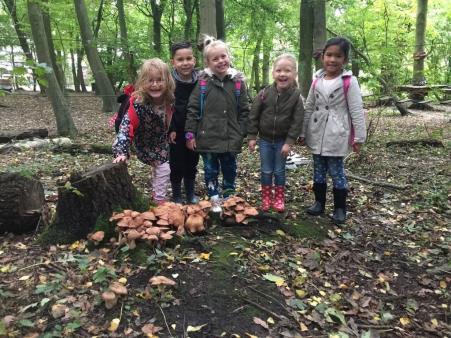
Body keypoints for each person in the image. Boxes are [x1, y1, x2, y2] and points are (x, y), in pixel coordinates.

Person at [300, 37, 366, 224]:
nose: (332, 60)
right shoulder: (317, 80)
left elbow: (356, 109)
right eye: (329, 55)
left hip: (337, 133)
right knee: (318, 171)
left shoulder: (349, 81)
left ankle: (340, 208)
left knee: (337, 172)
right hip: (317, 131)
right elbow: (309, 106)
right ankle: (319, 203)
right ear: (323, 57)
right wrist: (303, 132)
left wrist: (359, 137)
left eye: (338, 56)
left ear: (344, 60)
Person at [185, 37, 250, 213]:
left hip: (230, 137)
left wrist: (241, 132)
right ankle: (214, 197)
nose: (221, 61)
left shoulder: (238, 82)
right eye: (215, 58)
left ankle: (229, 197)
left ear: (229, 56)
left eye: (223, 56)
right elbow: (192, 109)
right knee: (210, 169)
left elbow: (244, 110)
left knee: (230, 168)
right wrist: (190, 134)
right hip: (207, 137)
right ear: (208, 62)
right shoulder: (203, 83)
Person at [112, 58, 175, 205]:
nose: (155, 84)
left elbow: (176, 118)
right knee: (164, 168)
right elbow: (125, 128)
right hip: (143, 144)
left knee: (160, 168)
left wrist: (175, 130)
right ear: (142, 83)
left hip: (161, 143)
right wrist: (121, 151)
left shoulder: (170, 100)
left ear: (167, 81)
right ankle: (159, 201)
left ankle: (156, 193)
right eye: (150, 80)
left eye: (160, 80)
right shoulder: (138, 104)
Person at [247, 54, 304, 213]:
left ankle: (279, 198)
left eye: (287, 70)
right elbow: (253, 115)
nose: (283, 74)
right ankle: (266, 198)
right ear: (273, 73)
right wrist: (252, 136)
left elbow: (297, 121)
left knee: (279, 170)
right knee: (266, 170)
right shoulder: (264, 93)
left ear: (294, 74)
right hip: (264, 140)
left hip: (282, 141)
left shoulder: (296, 97)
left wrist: (289, 142)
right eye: (279, 70)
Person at [168, 41, 200, 204]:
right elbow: (166, 107)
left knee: (192, 162)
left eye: (188, 58)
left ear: (194, 60)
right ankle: (176, 195)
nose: (185, 63)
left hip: (194, 130)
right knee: (176, 163)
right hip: (175, 131)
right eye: (180, 59)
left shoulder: (201, 80)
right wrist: (171, 128)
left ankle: (190, 193)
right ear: (173, 62)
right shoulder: (169, 82)